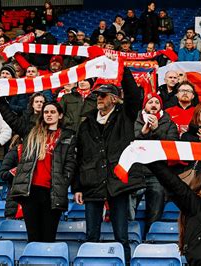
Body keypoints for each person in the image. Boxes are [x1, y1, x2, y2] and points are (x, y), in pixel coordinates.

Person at [72, 68, 143, 261]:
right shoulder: (86, 124)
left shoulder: (125, 116)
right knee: (91, 236)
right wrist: (77, 186)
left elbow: (134, 96)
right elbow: (81, 157)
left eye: (103, 95)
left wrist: (123, 69)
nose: (98, 99)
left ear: (114, 98)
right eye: (97, 96)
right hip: (92, 183)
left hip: (117, 183)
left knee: (122, 236)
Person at [8, 102, 76, 242]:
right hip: (30, 192)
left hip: (52, 193)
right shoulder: (31, 132)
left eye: (52, 112)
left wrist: (63, 183)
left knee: (48, 238)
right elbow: (11, 119)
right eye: (46, 112)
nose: (49, 115)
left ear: (60, 115)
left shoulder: (68, 136)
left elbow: (70, 164)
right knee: (33, 238)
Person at [134, 93, 178, 233]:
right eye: (150, 102)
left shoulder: (169, 122)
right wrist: (143, 132)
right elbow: (128, 140)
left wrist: (156, 130)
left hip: (157, 173)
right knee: (128, 210)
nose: (153, 105)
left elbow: (171, 146)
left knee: (155, 211)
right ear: (144, 105)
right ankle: (131, 237)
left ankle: (149, 239)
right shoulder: (134, 119)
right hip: (136, 171)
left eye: (157, 102)